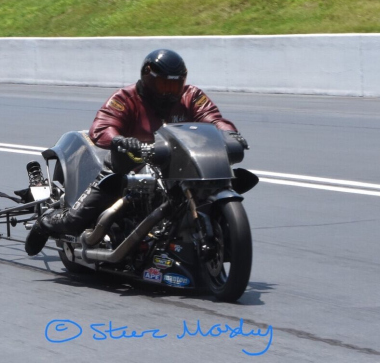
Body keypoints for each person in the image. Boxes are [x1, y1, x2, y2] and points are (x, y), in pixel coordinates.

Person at [25, 49, 248, 256]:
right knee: (75, 220)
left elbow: (213, 119)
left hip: (177, 166)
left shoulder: (192, 96)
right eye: (163, 84)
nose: (169, 91)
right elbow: (102, 126)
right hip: (129, 166)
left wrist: (229, 134)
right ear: (148, 79)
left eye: (175, 85)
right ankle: (45, 223)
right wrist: (120, 140)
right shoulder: (126, 98)